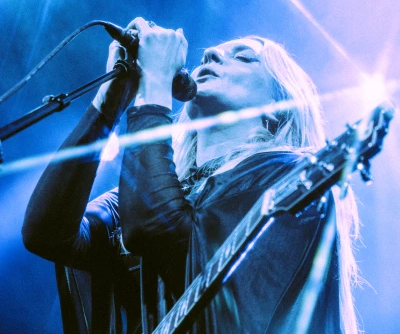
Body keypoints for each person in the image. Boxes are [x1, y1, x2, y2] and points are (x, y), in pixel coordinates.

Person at [22, 17, 360, 334]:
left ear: (277, 108)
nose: (210, 52)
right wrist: (108, 103)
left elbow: (156, 232)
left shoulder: (293, 177)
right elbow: (46, 234)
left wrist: (154, 88)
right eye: (211, 54)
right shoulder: (155, 193)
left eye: (244, 57)